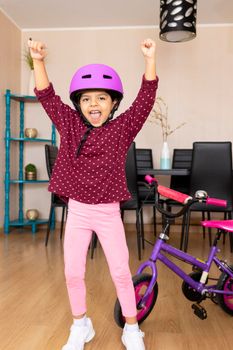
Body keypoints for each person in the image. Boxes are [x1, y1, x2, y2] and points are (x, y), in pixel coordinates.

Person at [28, 37, 158, 350]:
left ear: (113, 103)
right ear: (78, 104)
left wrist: (150, 60)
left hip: (108, 212)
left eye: (101, 98)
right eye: (86, 99)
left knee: (120, 272)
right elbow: (46, 96)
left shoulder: (123, 128)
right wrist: (39, 61)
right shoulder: (69, 124)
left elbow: (145, 100)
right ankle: (80, 325)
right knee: (73, 271)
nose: (94, 104)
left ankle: (131, 327)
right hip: (78, 211)